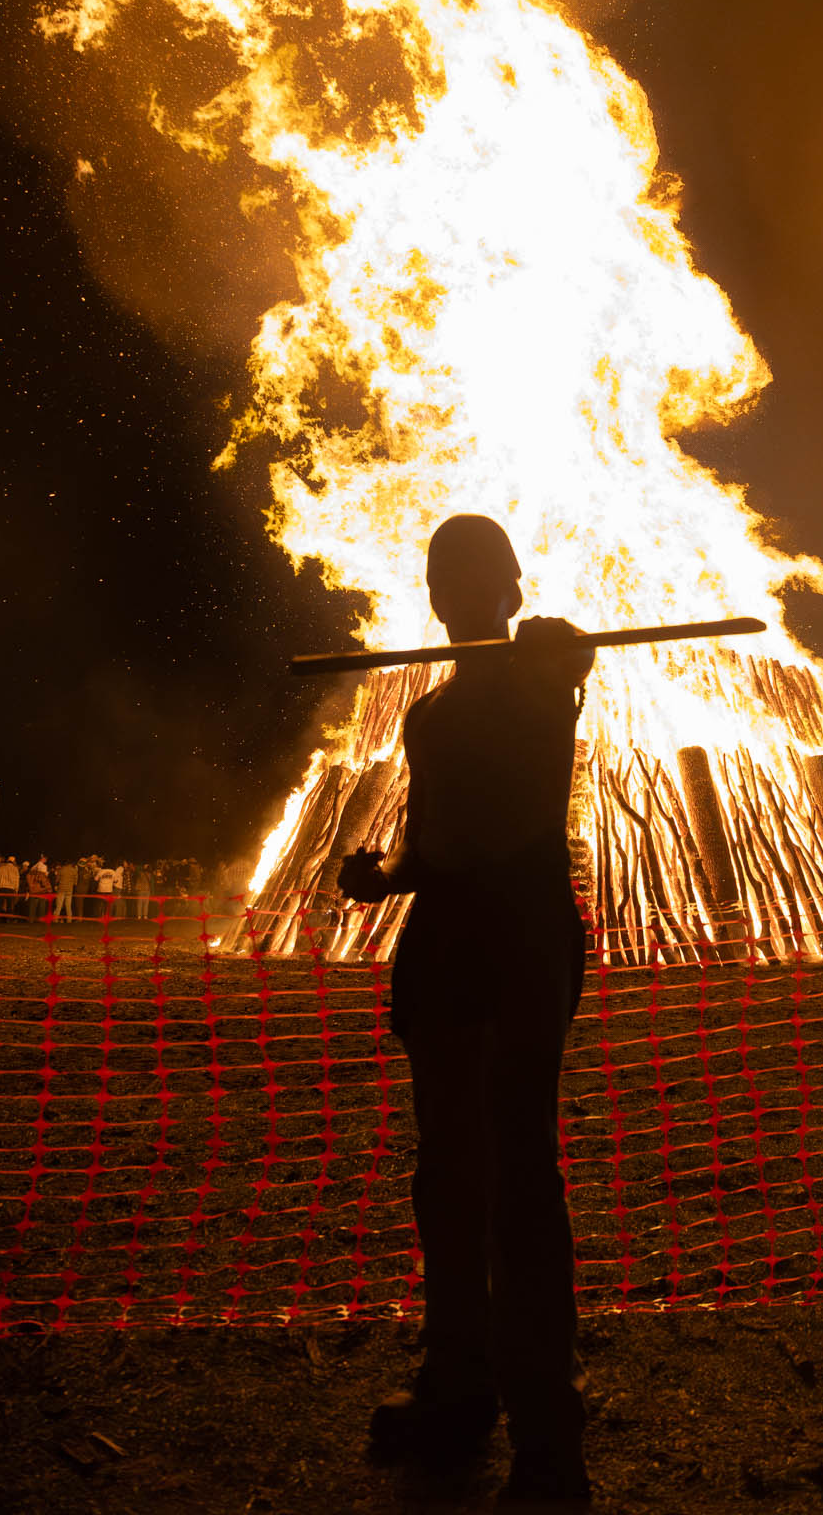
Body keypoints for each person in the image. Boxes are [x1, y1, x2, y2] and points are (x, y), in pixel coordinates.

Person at [338, 514, 594, 1507]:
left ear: (512, 589)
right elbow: (427, 838)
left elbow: (560, 689)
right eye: (444, 573)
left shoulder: (540, 674)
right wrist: (379, 876)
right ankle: (457, 1384)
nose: (457, 589)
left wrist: (557, 656)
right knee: (447, 1173)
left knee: (520, 1182)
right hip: (443, 943)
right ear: (431, 591)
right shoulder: (429, 716)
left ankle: (547, 1437)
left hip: (518, 939)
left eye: (479, 574)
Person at [55, 858, 78, 924]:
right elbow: (75, 882)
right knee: (68, 905)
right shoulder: (74, 871)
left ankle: (55, 919)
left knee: (59, 905)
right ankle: (69, 920)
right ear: (71, 864)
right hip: (70, 889)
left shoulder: (61, 870)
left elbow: (57, 880)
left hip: (61, 889)